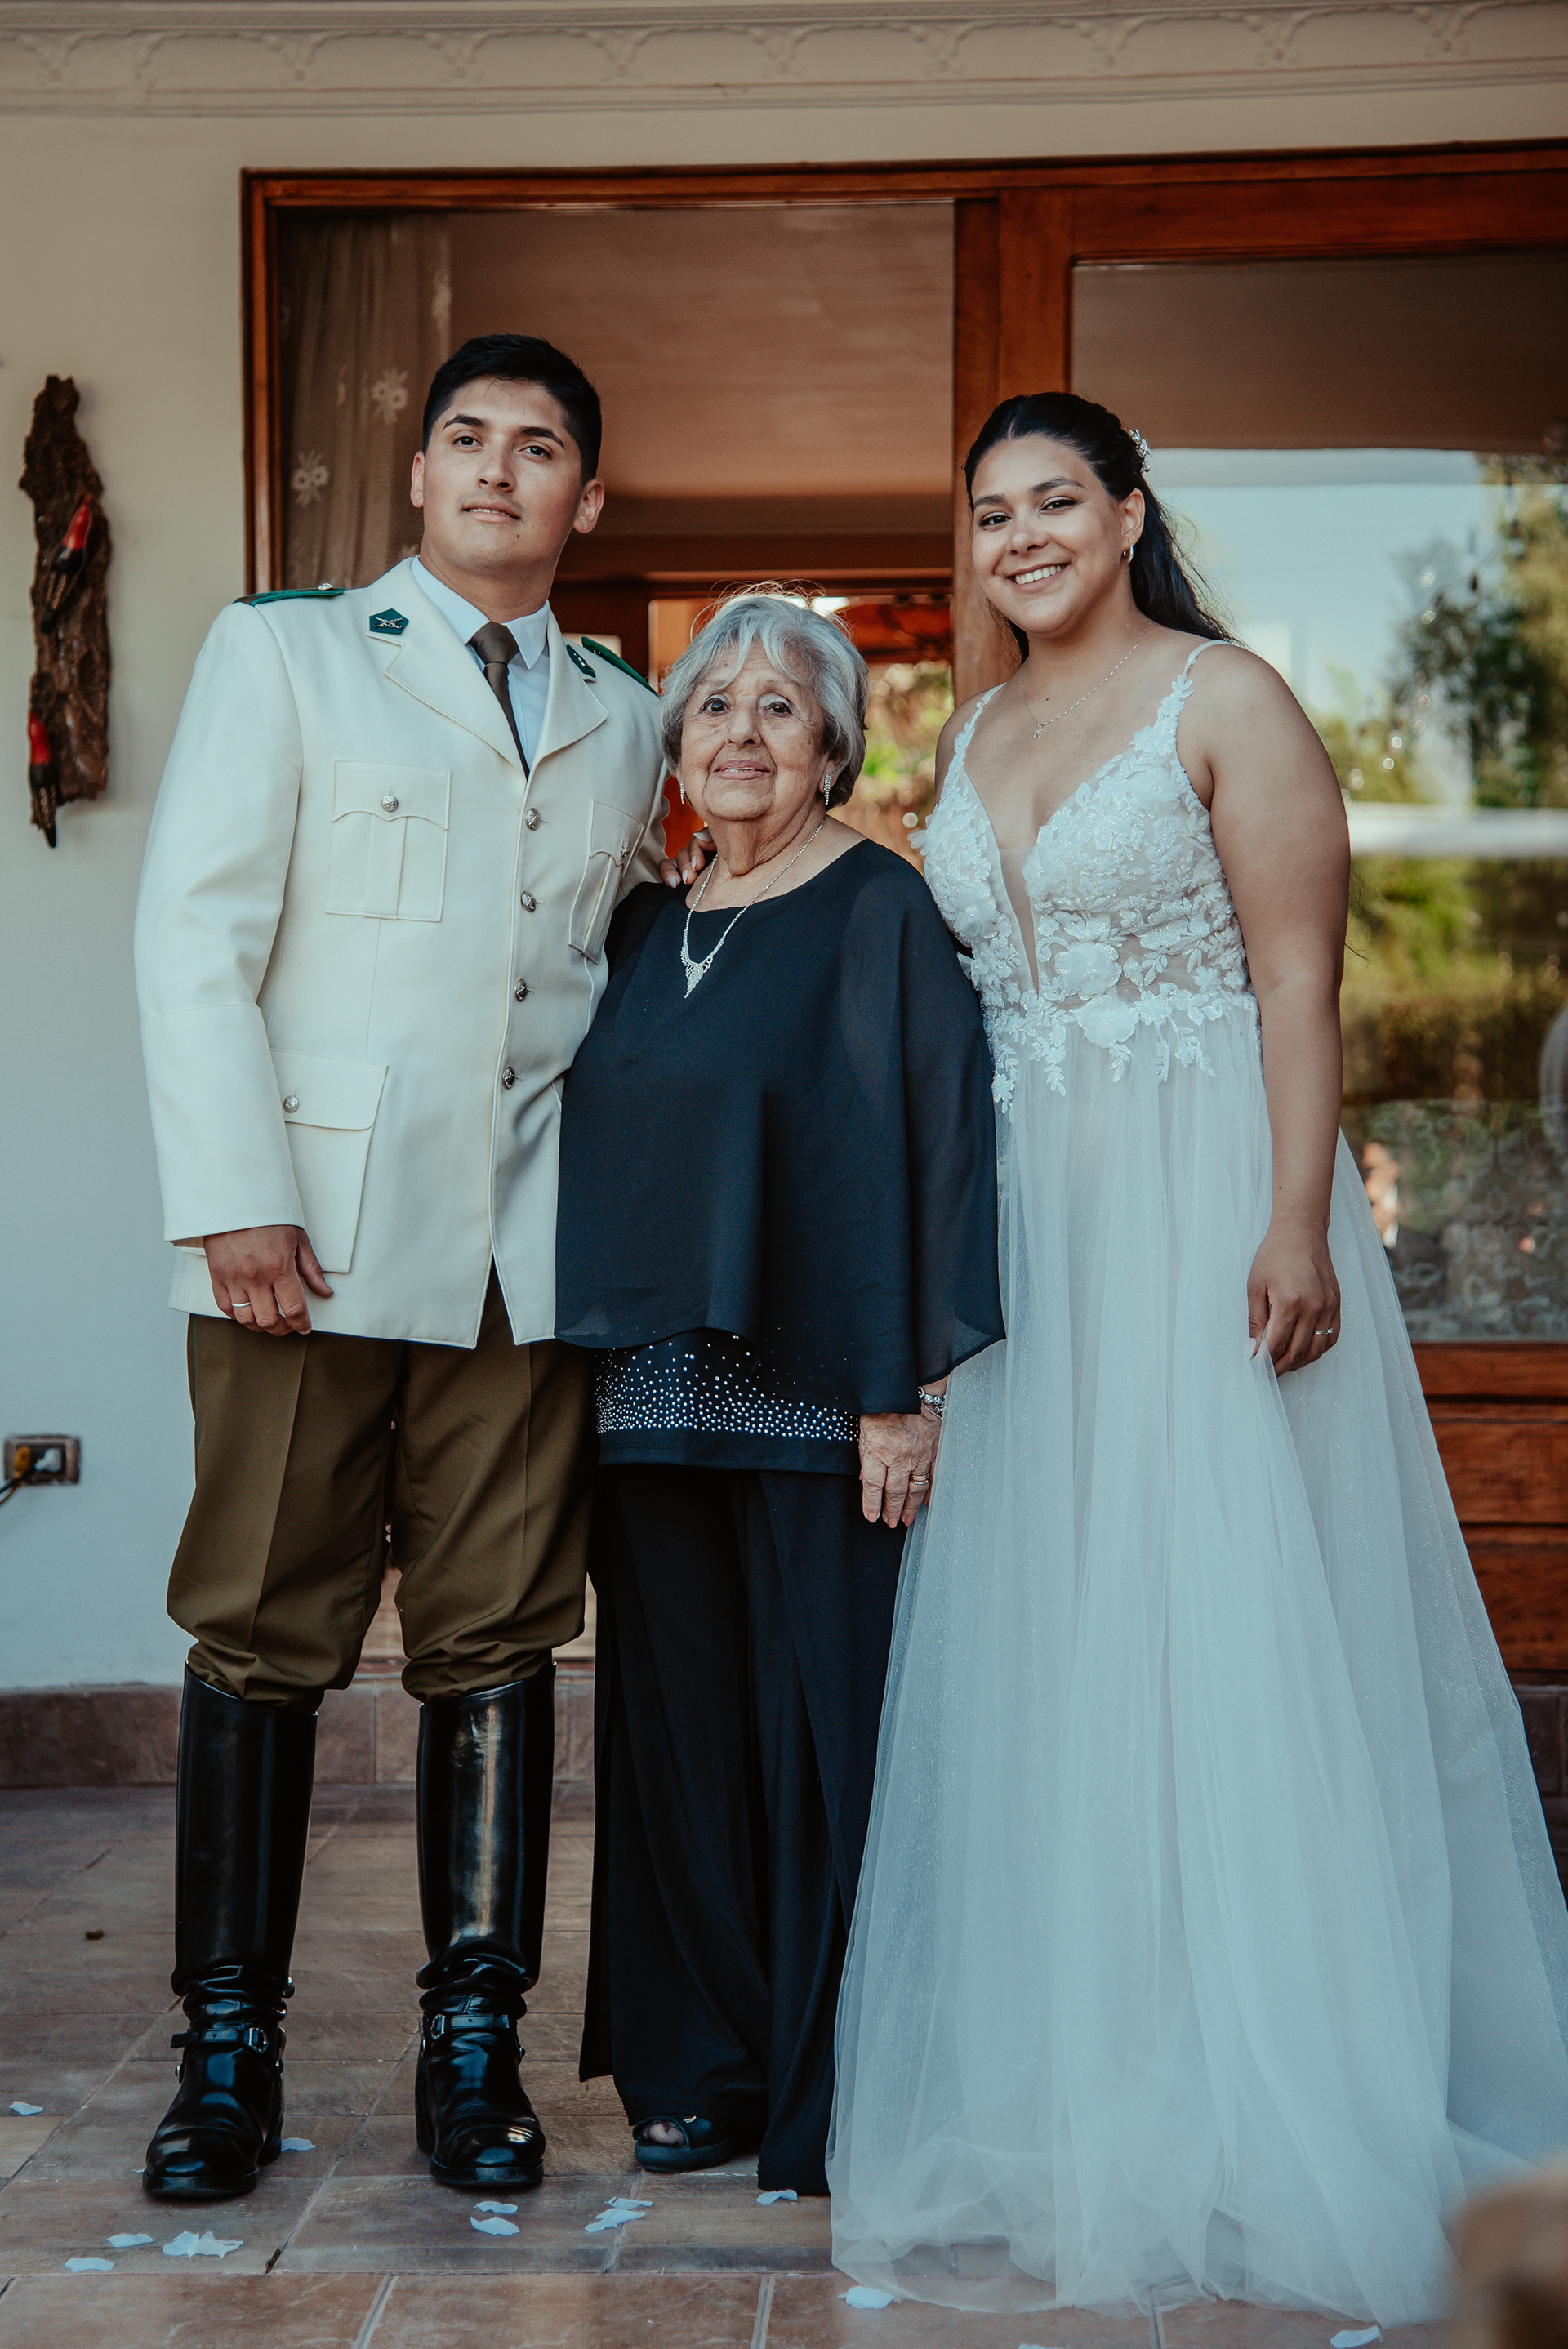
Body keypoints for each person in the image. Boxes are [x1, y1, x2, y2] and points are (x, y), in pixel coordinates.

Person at [828, 393, 1568, 2320]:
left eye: (1054, 501)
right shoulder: (971, 732)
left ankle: (1281, 2089)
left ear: (1128, 509)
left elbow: (1304, 979)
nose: (1020, 537)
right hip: (1028, 1235)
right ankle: (1095, 2084)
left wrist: (1300, 1216)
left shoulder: (1226, 699)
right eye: (991, 512)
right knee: (1058, 1636)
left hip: (1201, 1202)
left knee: (1218, 1622)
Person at [132, 333, 670, 2201]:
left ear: (586, 498)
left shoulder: (630, 712)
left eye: (541, 448)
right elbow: (194, 935)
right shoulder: (286, 655)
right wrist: (233, 1193)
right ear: (420, 474)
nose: (500, 469)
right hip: (304, 1240)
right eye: (468, 438)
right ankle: (225, 2055)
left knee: (499, 1638)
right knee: (259, 1630)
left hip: (527, 1253)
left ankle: (474, 2056)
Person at [553, 591, 1004, 2195]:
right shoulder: (637, 927)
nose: (740, 733)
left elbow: (934, 1148)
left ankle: (829, 2085)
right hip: (646, 1407)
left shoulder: (881, 908)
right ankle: (696, 2067)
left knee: (821, 1747)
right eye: (713, 706)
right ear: (675, 746)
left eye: (779, 708)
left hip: (825, 1408)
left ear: (832, 749)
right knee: (678, 1751)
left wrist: (906, 1391)